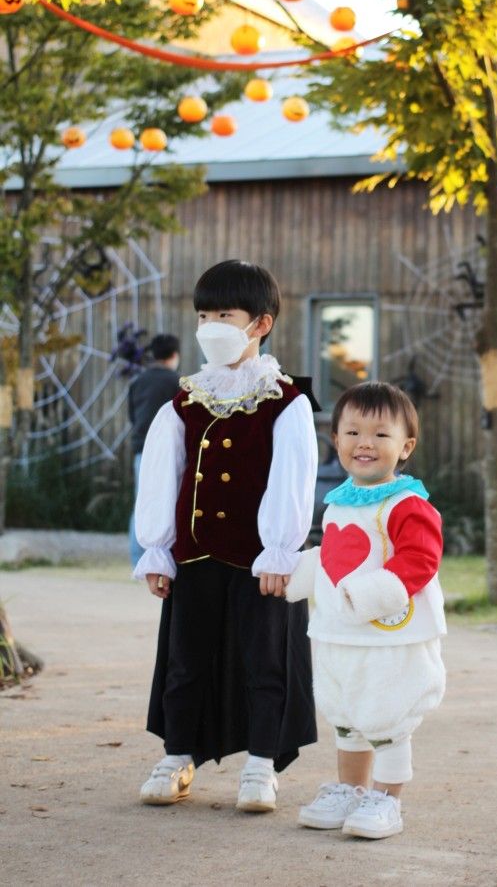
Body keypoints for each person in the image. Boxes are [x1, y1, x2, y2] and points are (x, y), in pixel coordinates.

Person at [133, 260, 318, 812]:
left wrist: (280, 549)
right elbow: (162, 477)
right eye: (203, 314)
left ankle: (261, 764)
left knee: (266, 660)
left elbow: (292, 480)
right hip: (193, 556)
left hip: (260, 559)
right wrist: (158, 551)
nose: (211, 324)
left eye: (224, 314)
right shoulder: (183, 402)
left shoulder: (287, 401)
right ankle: (177, 756)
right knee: (185, 659)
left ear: (259, 323)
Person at [286, 381, 446, 841]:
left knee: (386, 716)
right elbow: (336, 557)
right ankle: (349, 790)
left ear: (405, 446)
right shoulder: (339, 503)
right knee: (347, 714)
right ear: (335, 440)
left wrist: (370, 594)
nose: (365, 444)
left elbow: (419, 560)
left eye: (380, 434)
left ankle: (387, 800)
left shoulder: (406, 502)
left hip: (389, 636)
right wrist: (297, 573)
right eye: (352, 432)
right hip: (341, 635)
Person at [127, 334, 181, 569]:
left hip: (141, 449)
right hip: (171, 452)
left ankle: (139, 560)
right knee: (173, 501)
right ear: (174, 355)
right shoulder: (177, 382)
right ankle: (166, 559)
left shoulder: (138, 381)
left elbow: (131, 415)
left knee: (143, 502)